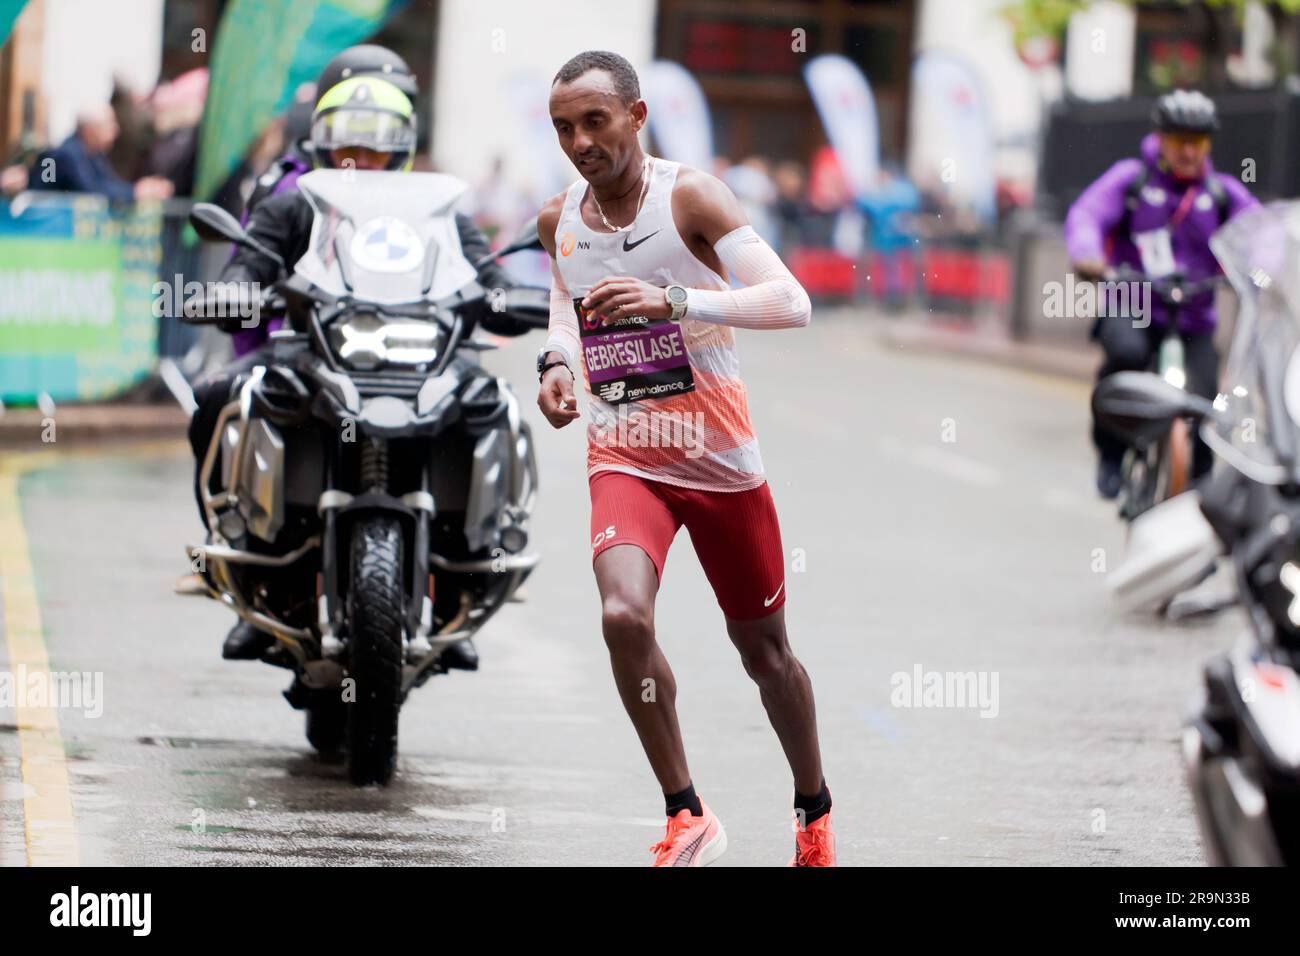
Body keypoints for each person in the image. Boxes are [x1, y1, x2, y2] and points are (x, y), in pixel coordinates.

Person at [535, 51, 834, 867]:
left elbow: (791, 302)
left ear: (636, 117)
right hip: (625, 451)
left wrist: (674, 298)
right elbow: (567, 303)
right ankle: (686, 810)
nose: (580, 140)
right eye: (564, 126)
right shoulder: (558, 216)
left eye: (595, 121)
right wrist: (557, 365)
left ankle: (813, 807)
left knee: (766, 656)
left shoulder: (690, 197)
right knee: (623, 616)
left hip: (719, 460)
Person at [187, 55, 530, 666]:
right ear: (322, 145)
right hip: (310, 347)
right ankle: (244, 559)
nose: (359, 163)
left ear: (400, 151)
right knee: (218, 397)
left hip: (420, 351)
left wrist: (512, 296)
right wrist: (236, 289)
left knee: (492, 405)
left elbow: (486, 271)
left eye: (374, 153)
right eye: (347, 149)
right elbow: (252, 260)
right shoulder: (293, 204)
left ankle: (468, 572)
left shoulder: (438, 211)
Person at [1066, 89, 1256, 498]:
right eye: (1178, 140)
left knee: (1204, 403)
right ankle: (1112, 453)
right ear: (1161, 139)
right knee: (1125, 358)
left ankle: (1200, 497)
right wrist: (1087, 255)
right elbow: (1088, 215)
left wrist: (1264, 271)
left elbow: (1260, 235)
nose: (1188, 151)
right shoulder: (1131, 179)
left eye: (1198, 142)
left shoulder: (1221, 194)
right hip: (1134, 303)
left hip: (1194, 316)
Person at [28, 102, 173, 202]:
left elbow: (109, 183)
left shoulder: (95, 155)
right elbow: (91, 191)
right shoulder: (67, 154)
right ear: (90, 129)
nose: (115, 130)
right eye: (109, 124)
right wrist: (136, 191)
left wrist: (141, 189)